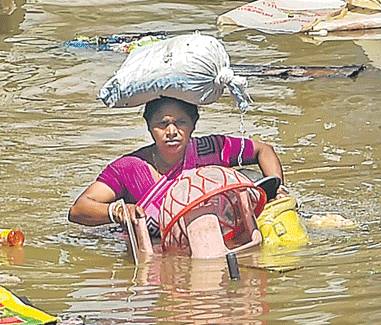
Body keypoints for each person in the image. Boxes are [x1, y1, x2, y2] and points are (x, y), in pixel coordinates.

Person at [68, 96, 283, 241]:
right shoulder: (129, 168)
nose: (171, 131)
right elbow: (79, 210)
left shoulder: (212, 150)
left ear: (194, 123)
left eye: (180, 122)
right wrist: (119, 212)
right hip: (153, 248)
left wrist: (278, 189)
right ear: (149, 127)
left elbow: (263, 150)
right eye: (162, 124)